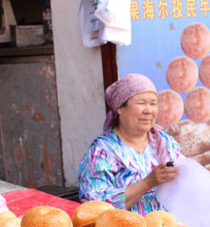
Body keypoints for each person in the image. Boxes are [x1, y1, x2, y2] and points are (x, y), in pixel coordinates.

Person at [78, 73, 182, 215]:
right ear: (120, 108)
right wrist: (148, 183)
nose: (148, 110)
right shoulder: (102, 151)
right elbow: (93, 206)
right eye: (141, 103)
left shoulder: (166, 143)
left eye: (153, 104)